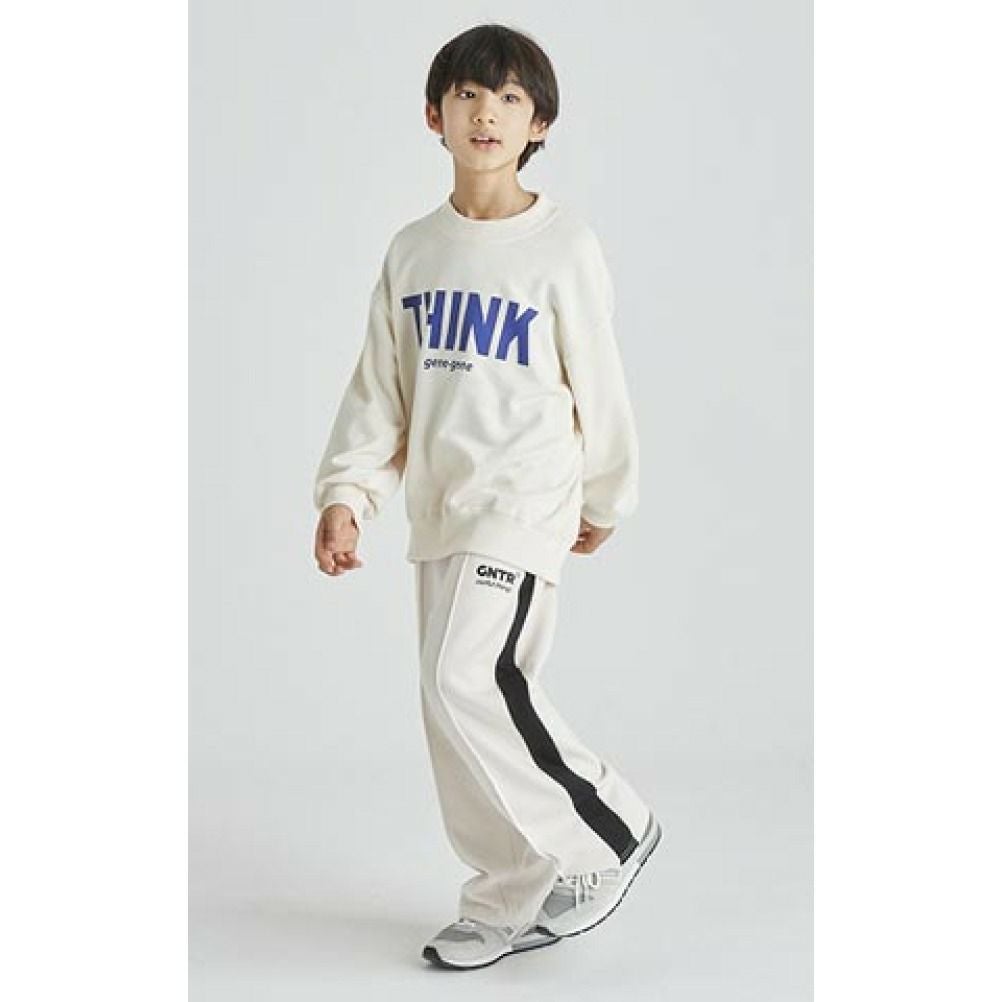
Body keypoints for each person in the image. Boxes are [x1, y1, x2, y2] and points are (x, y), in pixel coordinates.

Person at [312, 23, 663, 971]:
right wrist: (349, 493)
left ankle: (614, 824)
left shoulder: (562, 247)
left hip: (523, 501)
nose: (487, 113)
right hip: (441, 509)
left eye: (510, 98)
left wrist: (606, 496)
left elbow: (600, 381)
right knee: (451, 714)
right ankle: (508, 895)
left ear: (538, 123)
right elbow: (380, 391)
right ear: (434, 115)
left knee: (468, 678)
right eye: (468, 94)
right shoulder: (414, 251)